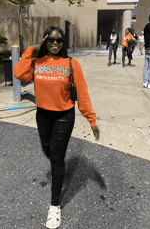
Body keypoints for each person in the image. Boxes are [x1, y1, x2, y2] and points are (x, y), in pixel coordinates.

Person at [14, 26, 100, 229]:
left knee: (56, 158)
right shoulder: (37, 62)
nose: (54, 44)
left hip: (63, 115)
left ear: (63, 43)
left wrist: (91, 119)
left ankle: (55, 205)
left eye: (58, 40)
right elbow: (19, 73)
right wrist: (31, 49)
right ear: (45, 41)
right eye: (50, 40)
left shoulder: (71, 64)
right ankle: (57, 165)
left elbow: (83, 94)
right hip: (42, 115)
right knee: (47, 148)